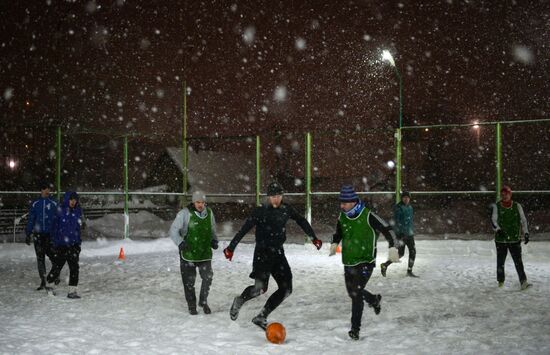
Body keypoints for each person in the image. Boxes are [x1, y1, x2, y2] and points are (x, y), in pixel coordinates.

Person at [223, 181, 323, 330]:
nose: (276, 199)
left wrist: (313, 237)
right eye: (273, 196)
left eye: (278, 196)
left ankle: (262, 316)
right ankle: (239, 300)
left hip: (278, 254)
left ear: (282, 196)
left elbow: (301, 220)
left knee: (287, 288)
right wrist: (231, 248)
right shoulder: (260, 211)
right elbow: (244, 229)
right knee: (260, 289)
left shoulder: (286, 209)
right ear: (268, 197)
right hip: (262, 254)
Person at [329, 185, 397, 340]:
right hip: (349, 261)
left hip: (366, 261)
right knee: (352, 292)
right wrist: (334, 243)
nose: (342, 205)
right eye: (341, 202)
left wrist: (392, 247)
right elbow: (338, 233)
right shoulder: (342, 216)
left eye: (345, 203)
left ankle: (355, 329)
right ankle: (373, 299)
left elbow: (388, 230)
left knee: (356, 293)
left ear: (353, 201)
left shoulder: (368, 215)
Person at [169, 190, 218, 315]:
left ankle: (203, 301)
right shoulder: (184, 214)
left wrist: (214, 240)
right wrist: (180, 242)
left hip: (204, 253)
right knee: (189, 282)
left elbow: (212, 229)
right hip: (188, 253)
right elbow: (173, 230)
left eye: (202, 202)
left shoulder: (210, 213)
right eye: (197, 202)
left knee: (208, 277)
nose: (200, 205)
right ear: (193, 202)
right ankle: (192, 305)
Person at [491, 185, 531, 290]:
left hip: (514, 239)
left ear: (510, 195)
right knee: (500, 262)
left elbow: (523, 220)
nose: (504, 196)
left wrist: (526, 232)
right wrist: (498, 230)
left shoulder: (517, 206)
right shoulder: (497, 206)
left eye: (506, 194)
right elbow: (494, 221)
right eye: (502, 194)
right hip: (501, 240)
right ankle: (500, 282)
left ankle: (523, 282)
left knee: (518, 262)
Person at [46, 191, 83, 298]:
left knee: (74, 268)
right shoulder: (60, 210)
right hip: (61, 244)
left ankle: (72, 291)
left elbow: (78, 228)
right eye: (71, 199)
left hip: (73, 244)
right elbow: (54, 227)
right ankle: (49, 284)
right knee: (57, 266)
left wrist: (78, 242)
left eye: (75, 200)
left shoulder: (77, 211)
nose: (73, 202)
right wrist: (53, 242)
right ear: (67, 199)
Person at [25, 181, 58, 290]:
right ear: (41, 190)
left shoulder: (54, 202)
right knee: (40, 258)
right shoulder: (36, 203)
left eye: (48, 188)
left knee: (54, 257)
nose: (47, 191)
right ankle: (43, 280)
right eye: (45, 188)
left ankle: (54, 275)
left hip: (50, 235)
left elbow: (59, 217)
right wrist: (28, 233)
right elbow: (31, 219)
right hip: (38, 235)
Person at [380, 191, 417, 277]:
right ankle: (385, 265)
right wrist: (400, 234)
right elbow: (397, 222)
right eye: (404, 197)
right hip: (402, 234)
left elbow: (409, 221)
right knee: (401, 254)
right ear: (402, 198)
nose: (406, 199)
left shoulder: (410, 207)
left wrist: (411, 231)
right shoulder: (398, 207)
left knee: (412, 251)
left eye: (408, 197)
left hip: (409, 234)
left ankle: (409, 271)